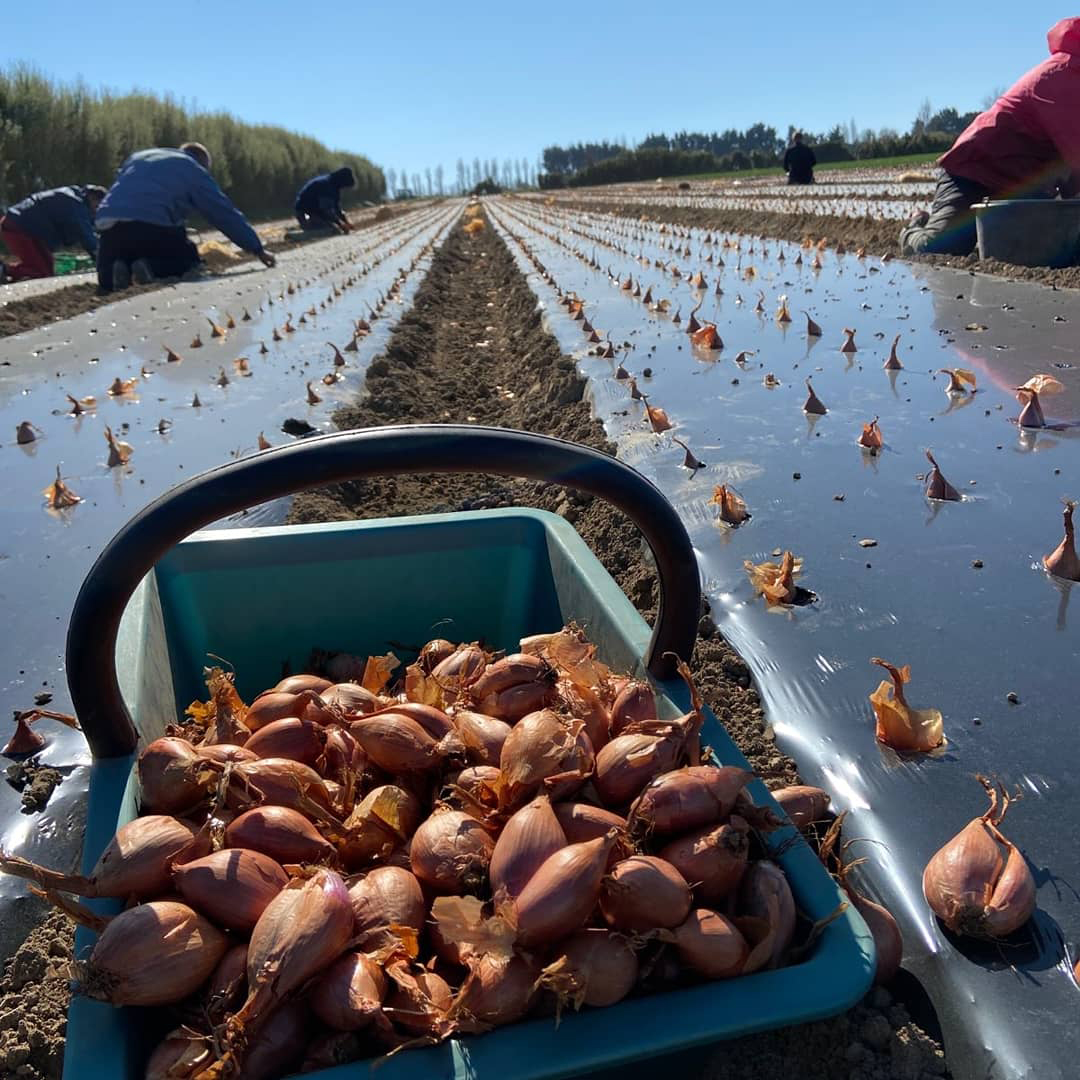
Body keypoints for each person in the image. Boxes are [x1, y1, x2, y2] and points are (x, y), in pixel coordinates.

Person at [901, 17, 1080, 257]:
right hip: (974, 170)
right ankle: (913, 228)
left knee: (1043, 251)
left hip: (1022, 184)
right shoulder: (1062, 75)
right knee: (940, 248)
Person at [95, 142, 275, 293]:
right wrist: (256, 248)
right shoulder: (192, 168)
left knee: (109, 276)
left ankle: (116, 269)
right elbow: (222, 212)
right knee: (187, 260)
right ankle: (151, 267)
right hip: (150, 224)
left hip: (109, 225)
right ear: (202, 162)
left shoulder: (139, 157)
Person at [0, 185, 106, 283]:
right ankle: (4, 270)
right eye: (96, 207)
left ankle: (8, 274)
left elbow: (89, 232)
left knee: (45, 268)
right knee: (42, 272)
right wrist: (101, 258)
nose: (96, 212)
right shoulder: (75, 204)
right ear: (92, 198)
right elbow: (85, 234)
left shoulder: (77, 201)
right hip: (21, 228)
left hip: (22, 227)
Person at [294, 167, 356, 233]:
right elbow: (327, 210)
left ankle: (313, 223)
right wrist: (341, 224)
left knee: (333, 228)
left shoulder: (334, 186)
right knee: (332, 230)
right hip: (305, 213)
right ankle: (308, 224)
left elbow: (337, 209)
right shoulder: (326, 185)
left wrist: (346, 222)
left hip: (317, 211)